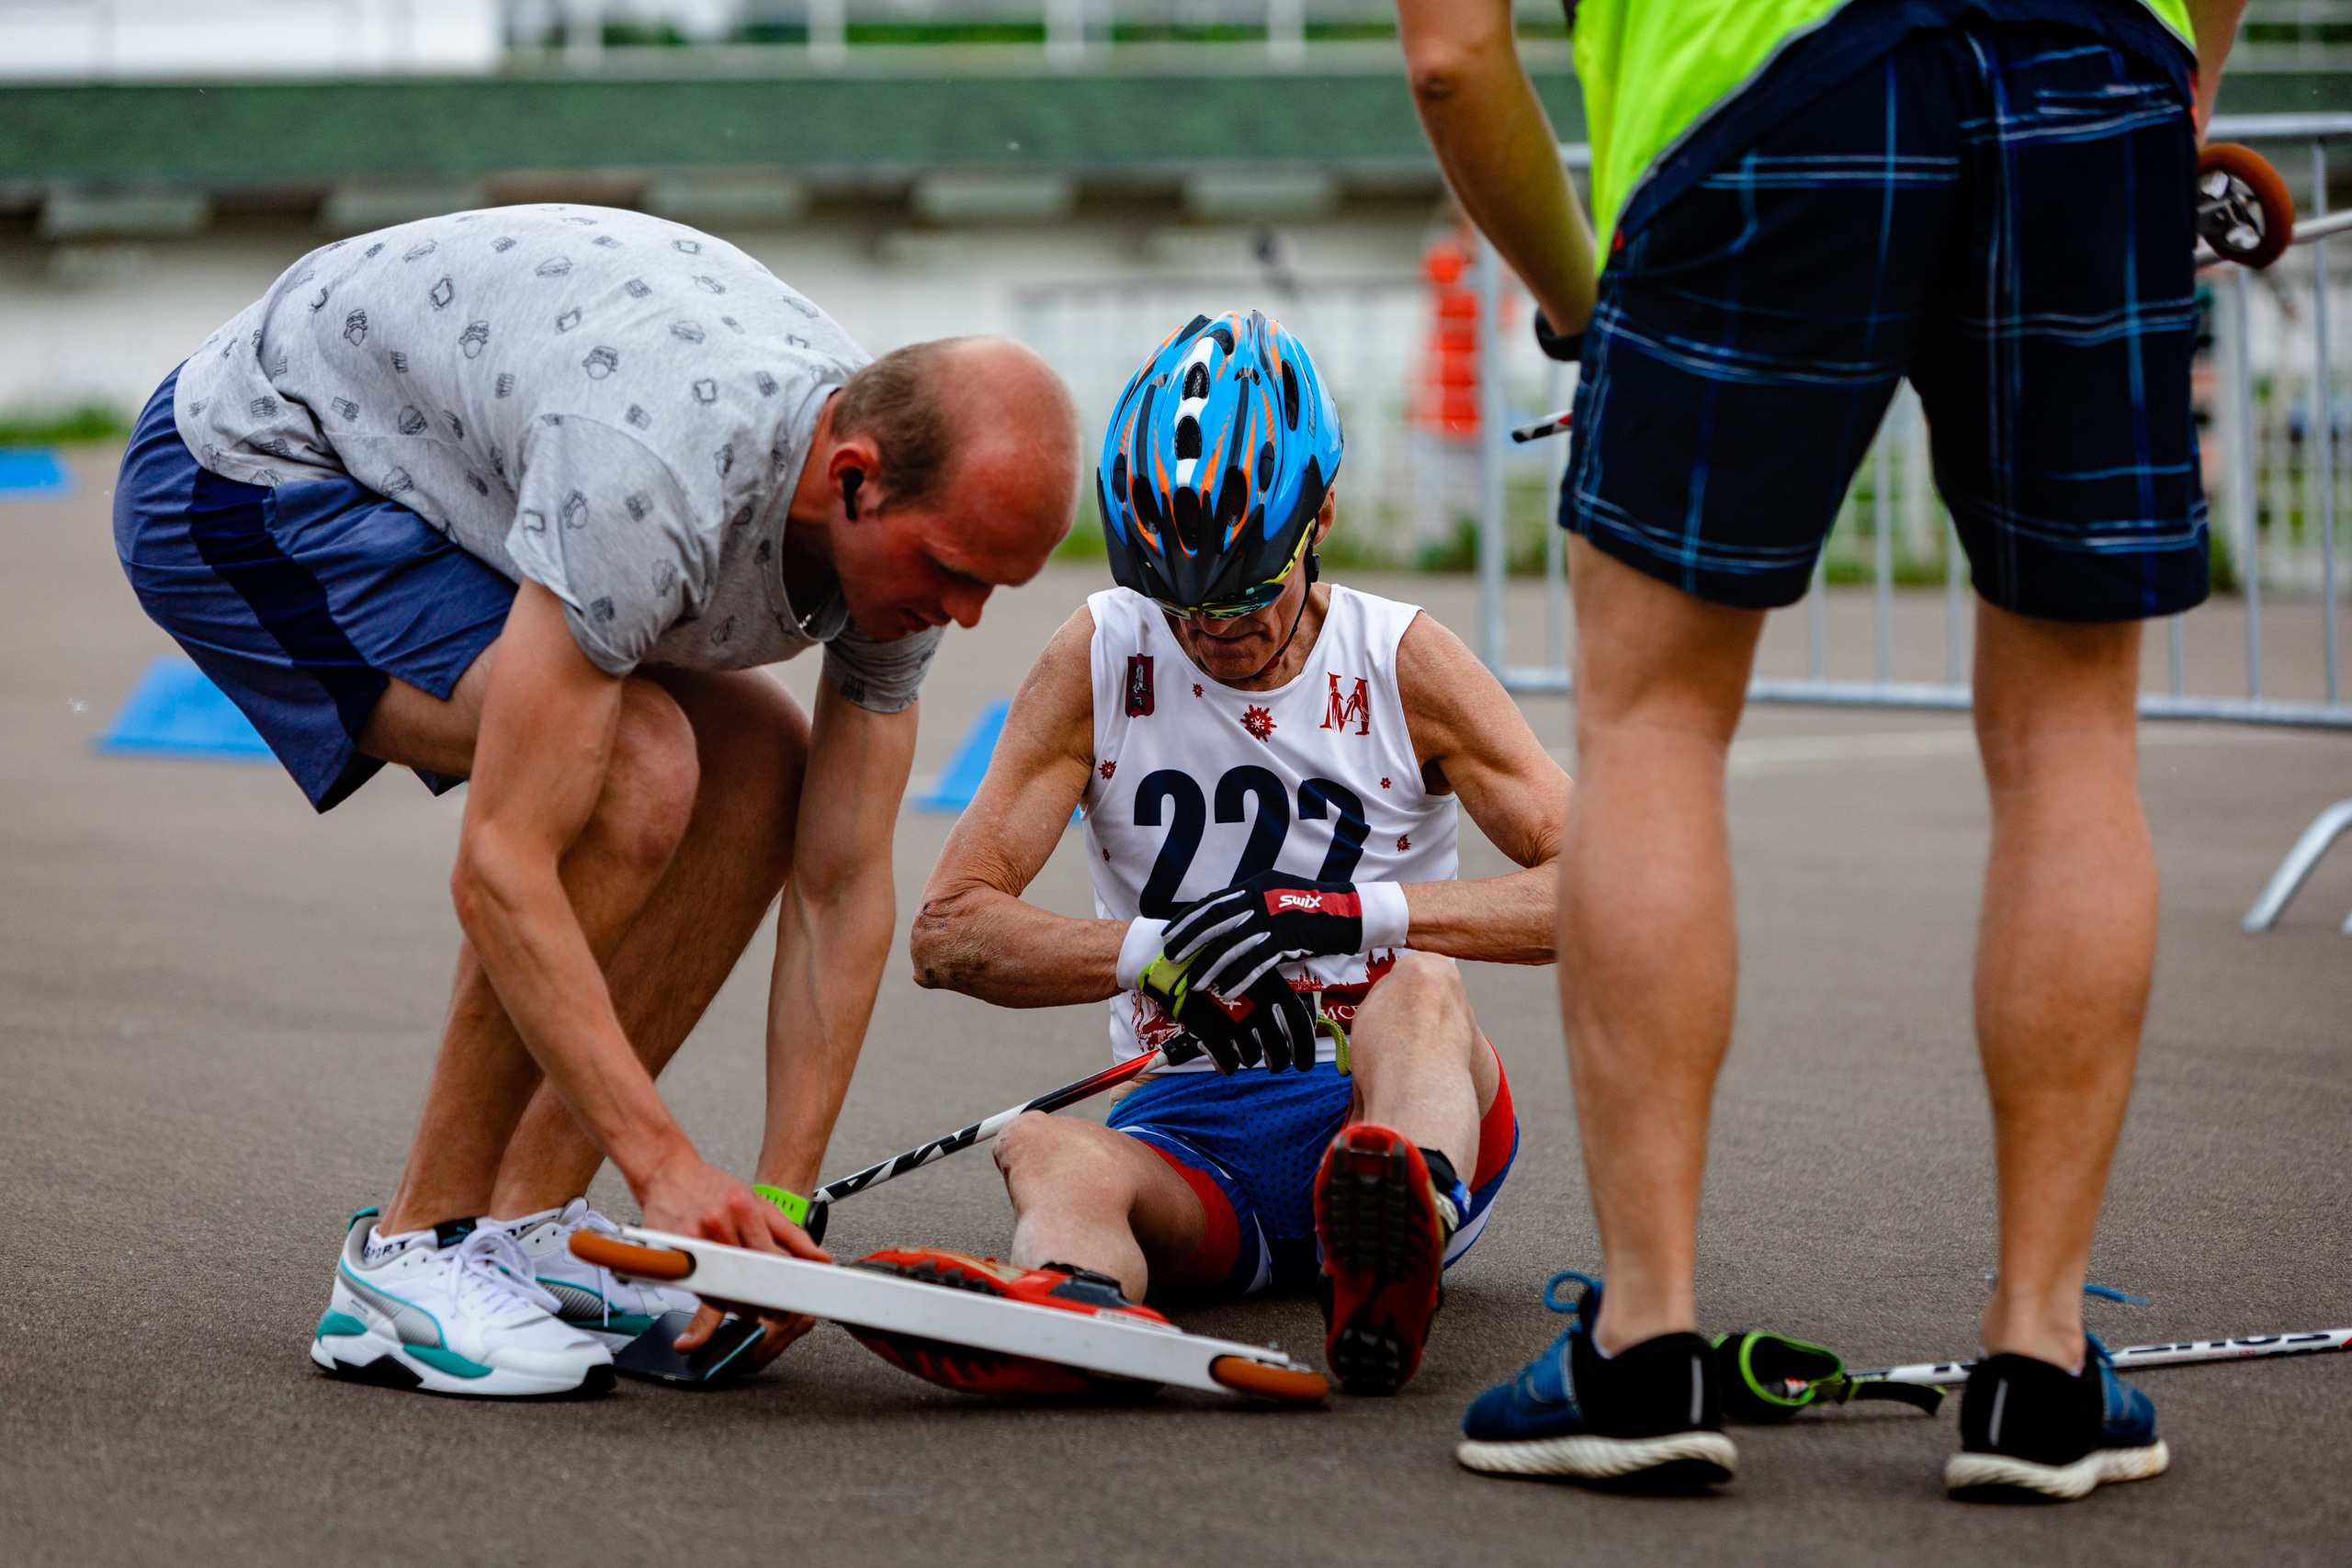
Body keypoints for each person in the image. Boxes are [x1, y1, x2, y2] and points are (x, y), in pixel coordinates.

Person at [1398, 0, 2244, 1500]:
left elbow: (1454, 54)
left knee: (1657, 719)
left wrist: (1589, 300)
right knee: (2069, 733)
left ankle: (1645, 1346)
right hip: (2096, 69)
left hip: (1767, 87)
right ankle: (2042, 1369)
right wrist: (2177, 94)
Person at [113, 204, 1080, 1396]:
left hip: (434, 467)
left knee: (761, 766)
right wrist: (667, 1164)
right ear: (854, 478)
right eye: (952, 573)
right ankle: (411, 1251)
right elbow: (502, 864)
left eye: (996, 586)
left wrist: (780, 1210)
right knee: (637, 773)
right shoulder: (659, 472)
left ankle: (525, 1226)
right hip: (250, 474)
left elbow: (838, 882)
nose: (967, 614)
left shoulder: (897, 520)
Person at [903, 310, 1570, 1396]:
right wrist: (1161, 958)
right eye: (1182, 604)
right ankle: (1074, 1312)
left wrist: (1351, 920)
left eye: (1248, 593)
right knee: (1044, 1147)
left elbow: (1600, 891)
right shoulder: (1101, 656)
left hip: (1382, 1088)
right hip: (1192, 1120)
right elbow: (949, 932)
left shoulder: (1401, 662)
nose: (1213, 632)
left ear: (1322, 518)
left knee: (1419, 985)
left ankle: (1398, 1211)